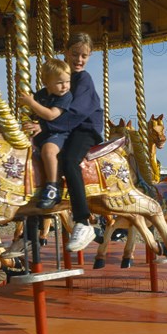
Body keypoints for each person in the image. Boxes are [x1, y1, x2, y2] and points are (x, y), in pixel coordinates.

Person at [59, 32, 104, 251]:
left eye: (84, 56)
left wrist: (48, 125)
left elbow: (76, 112)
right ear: (66, 52)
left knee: (69, 160)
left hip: (84, 128)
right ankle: (32, 230)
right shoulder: (62, 77)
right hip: (66, 127)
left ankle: (83, 221)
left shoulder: (84, 79)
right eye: (75, 54)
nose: (79, 60)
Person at [18, 59, 73, 209]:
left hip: (59, 134)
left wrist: (31, 103)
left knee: (48, 151)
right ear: (46, 82)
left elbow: (50, 115)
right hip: (42, 134)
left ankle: (53, 187)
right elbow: (33, 111)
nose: (65, 86)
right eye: (60, 82)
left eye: (67, 81)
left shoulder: (65, 97)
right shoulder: (41, 95)